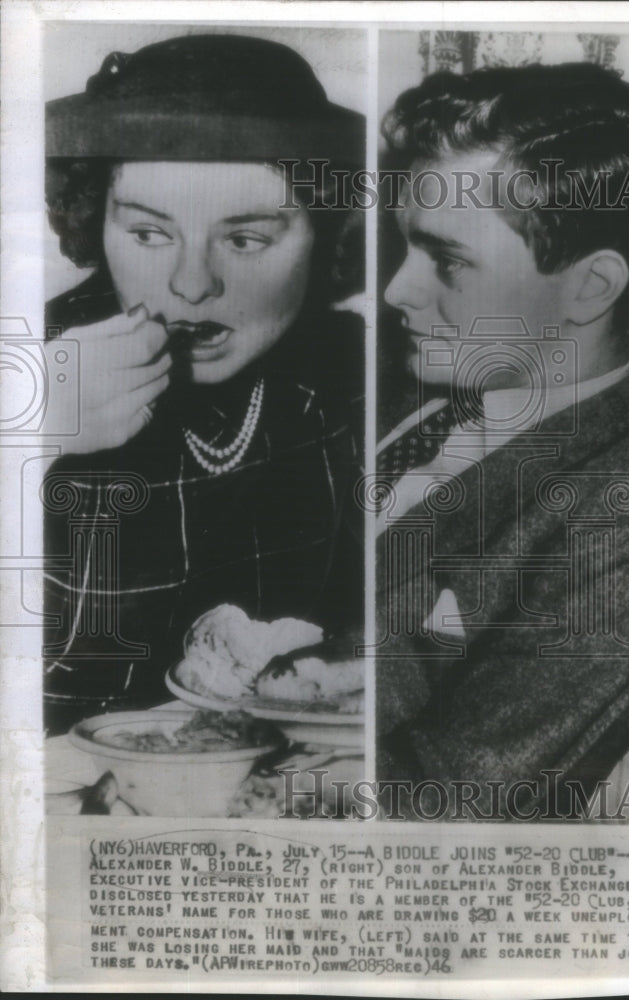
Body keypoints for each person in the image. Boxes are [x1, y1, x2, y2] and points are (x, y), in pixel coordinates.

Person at [374, 63, 629, 819]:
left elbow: (446, 803)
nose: (397, 289)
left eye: (446, 259)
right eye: (405, 248)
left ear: (590, 287)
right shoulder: (409, 392)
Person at [42, 34, 364, 734]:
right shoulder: (31, 367)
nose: (191, 285)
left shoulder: (349, 374)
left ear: (327, 236)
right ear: (97, 221)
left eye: (244, 239)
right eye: (150, 234)